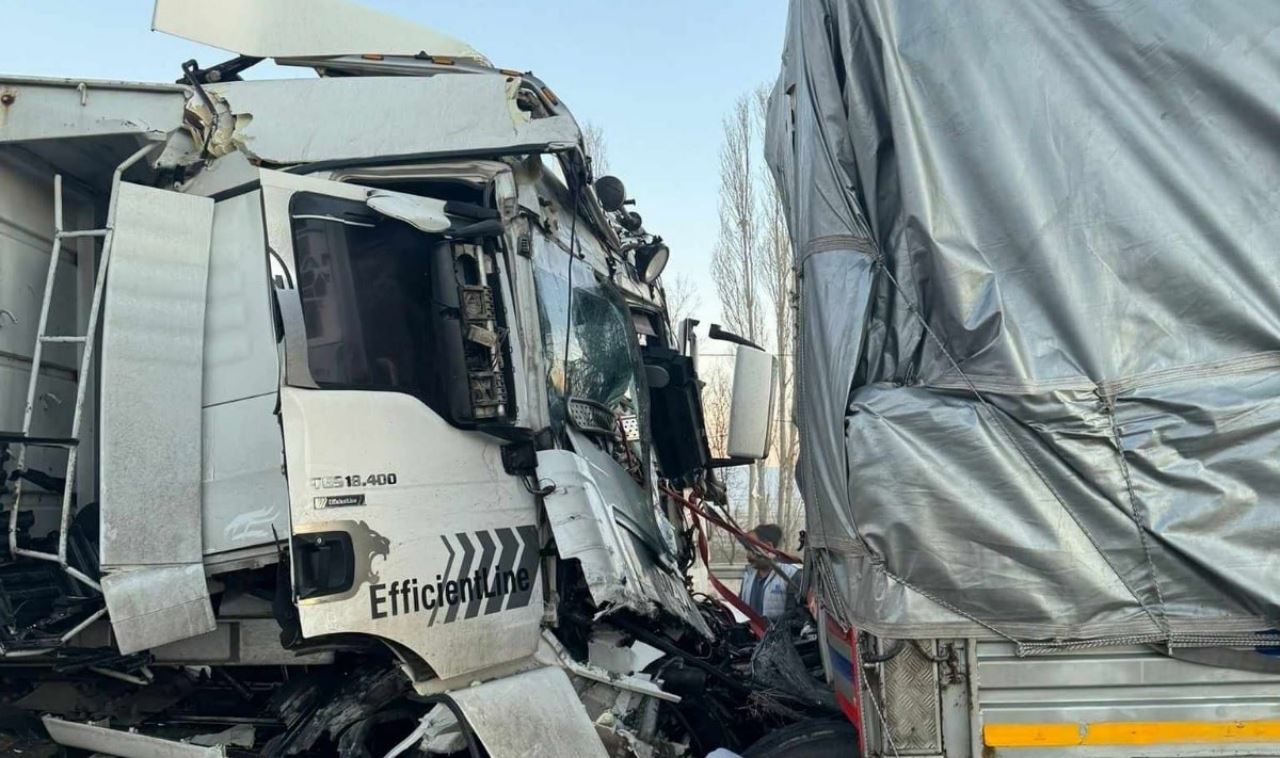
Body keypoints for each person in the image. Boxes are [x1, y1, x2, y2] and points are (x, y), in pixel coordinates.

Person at [738, 523, 799, 623]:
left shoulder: (792, 575)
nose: (748, 556)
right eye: (747, 550)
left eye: (751, 550)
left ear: (768, 547)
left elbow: (796, 618)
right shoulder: (748, 576)